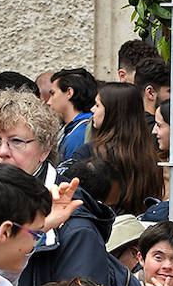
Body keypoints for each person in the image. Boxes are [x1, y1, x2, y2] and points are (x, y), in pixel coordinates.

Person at [64, 82, 164, 214]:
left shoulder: (88, 153)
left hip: (100, 229)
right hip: (139, 229)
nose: (92, 110)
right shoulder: (151, 156)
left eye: (98, 105)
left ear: (113, 112)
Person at [46, 68, 96, 161]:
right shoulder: (73, 128)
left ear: (69, 92)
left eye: (53, 94)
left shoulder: (80, 132)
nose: (48, 102)